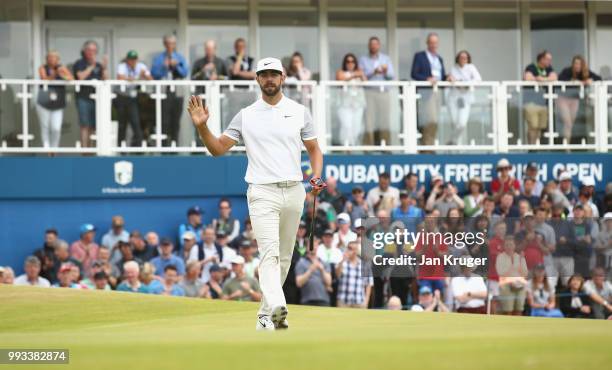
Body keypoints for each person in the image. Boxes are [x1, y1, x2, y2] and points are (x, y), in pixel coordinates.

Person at [187, 56, 325, 331]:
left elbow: (314, 149)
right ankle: (277, 306)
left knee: (285, 256)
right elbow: (217, 149)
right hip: (262, 191)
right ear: (258, 79)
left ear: (283, 78)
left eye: (274, 74)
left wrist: (317, 174)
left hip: (294, 190)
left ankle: (265, 316)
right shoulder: (246, 115)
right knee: (269, 253)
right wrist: (202, 127)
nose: (270, 78)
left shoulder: (299, 111)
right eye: (265, 74)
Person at [411, 32, 449, 147]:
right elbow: (414, 73)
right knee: (429, 120)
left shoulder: (439, 59)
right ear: (427, 43)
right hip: (426, 92)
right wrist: (427, 79)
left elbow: (441, 76)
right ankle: (426, 147)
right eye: (431, 42)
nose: (433, 45)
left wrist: (448, 77)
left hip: (437, 93)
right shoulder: (420, 56)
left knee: (435, 120)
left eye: (435, 43)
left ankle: (428, 146)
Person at [151, 34, 189, 146]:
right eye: (168, 44)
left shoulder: (180, 57)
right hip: (163, 93)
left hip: (177, 93)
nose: (170, 46)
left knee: (176, 120)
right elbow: (154, 73)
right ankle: (164, 145)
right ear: (164, 44)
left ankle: (175, 144)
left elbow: (185, 72)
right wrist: (164, 66)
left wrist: (176, 66)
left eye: (172, 44)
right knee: (164, 120)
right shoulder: (159, 58)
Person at [557, 55, 602, 144]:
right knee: (568, 122)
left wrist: (590, 80)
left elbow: (599, 78)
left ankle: (567, 144)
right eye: (576, 63)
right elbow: (560, 79)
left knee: (571, 124)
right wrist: (576, 82)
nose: (577, 65)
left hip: (575, 100)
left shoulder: (584, 72)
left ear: (583, 65)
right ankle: (566, 148)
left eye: (579, 64)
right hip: (563, 99)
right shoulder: (567, 71)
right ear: (573, 64)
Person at [359, 36, 395, 145]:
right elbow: (362, 75)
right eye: (372, 44)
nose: (373, 46)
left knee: (384, 120)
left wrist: (385, 71)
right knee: (369, 120)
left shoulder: (386, 59)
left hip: (383, 92)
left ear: (379, 45)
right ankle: (368, 146)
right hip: (369, 92)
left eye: (376, 44)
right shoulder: (363, 59)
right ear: (369, 46)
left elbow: (392, 76)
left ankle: (385, 145)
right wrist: (373, 72)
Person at [73, 40, 108, 148]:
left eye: (94, 50)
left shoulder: (99, 65)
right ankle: (84, 150)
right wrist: (91, 67)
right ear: (84, 51)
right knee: (85, 125)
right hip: (83, 98)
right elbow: (81, 77)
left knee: (94, 125)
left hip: (97, 98)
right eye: (89, 50)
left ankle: (92, 150)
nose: (92, 52)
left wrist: (104, 68)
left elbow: (105, 79)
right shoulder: (79, 63)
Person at [36, 50, 73, 149]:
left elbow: (71, 79)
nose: (51, 59)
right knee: (45, 126)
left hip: (58, 102)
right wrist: (55, 74)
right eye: (49, 57)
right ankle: (46, 148)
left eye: (54, 57)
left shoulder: (61, 68)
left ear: (58, 59)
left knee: (56, 128)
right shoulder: (43, 68)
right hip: (44, 101)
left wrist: (62, 74)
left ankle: (54, 148)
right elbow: (44, 79)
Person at [115, 50, 151, 146]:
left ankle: (138, 148)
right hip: (121, 97)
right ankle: (121, 148)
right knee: (122, 124)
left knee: (136, 122)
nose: (133, 62)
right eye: (131, 59)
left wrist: (144, 75)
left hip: (132, 98)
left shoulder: (141, 66)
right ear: (127, 60)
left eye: (134, 59)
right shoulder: (122, 66)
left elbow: (151, 78)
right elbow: (120, 77)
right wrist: (132, 78)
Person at [446, 50, 482, 145]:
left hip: (465, 98)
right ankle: (456, 146)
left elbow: (478, 79)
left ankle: (452, 141)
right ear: (458, 59)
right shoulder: (454, 68)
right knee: (454, 122)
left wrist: (467, 84)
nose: (463, 59)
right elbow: (451, 79)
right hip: (454, 98)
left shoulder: (471, 67)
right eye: (461, 58)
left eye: (465, 58)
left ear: (468, 59)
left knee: (461, 124)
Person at [523, 50, 558, 145]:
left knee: (540, 127)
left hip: (543, 103)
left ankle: (536, 147)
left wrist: (542, 79)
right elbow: (528, 77)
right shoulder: (531, 67)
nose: (549, 62)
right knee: (533, 125)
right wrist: (538, 79)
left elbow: (554, 77)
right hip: (531, 102)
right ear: (541, 59)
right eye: (547, 59)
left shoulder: (549, 68)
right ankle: (531, 148)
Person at [335, 53, 367, 146]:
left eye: (352, 61)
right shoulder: (341, 72)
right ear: (345, 63)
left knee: (357, 127)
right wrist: (354, 75)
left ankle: (353, 145)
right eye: (348, 61)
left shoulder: (359, 72)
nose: (350, 63)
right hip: (344, 104)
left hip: (358, 104)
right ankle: (346, 145)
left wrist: (361, 74)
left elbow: (366, 82)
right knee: (347, 125)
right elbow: (340, 79)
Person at [496, 235, 528, 315]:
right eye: (507, 245)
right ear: (504, 246)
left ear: (514, 245)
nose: (509, 247)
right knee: (508, 310)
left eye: (511, 244)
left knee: (519, 309)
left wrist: (521, 260)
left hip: (519, 285)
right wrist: (513, 267)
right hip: (506, 285)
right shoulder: (500, 257)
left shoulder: (519, 257)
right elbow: (500, 273)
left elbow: (525, 273)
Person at [295, 240, 332, 306]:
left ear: (318, 247)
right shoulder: (301, 262)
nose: (314, 247)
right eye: (311, 245)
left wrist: (322, 269)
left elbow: (329, 282)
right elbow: (299, 283)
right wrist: (310, 270)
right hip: (307, 300)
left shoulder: (324, 262)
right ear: (307, 247)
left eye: (315, 245)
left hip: (323, 299)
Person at [336, 241, 372, 308]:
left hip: (359, 301)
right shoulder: (342, 263)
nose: (349, 250)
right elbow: (337, 275)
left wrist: (366, 301)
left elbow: (369, 284)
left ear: (356, 251)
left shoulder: (364, 265)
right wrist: (342, 260)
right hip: (343, 300)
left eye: (351, 248)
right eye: (348, 248)